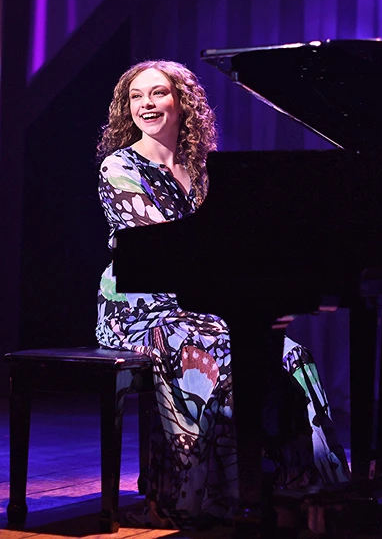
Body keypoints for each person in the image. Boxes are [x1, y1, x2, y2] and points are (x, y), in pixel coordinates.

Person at [95, 59, 349, 528]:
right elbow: (162, 247)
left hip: (199, 304)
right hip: (141, 310)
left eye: (158, 94)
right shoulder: (120, 166)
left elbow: (227, 243)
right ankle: (198, 497)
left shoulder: (203, 170)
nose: (146, 104)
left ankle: (312, 489)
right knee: (221, 358)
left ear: (182, 101)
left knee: (293, 356)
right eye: (136, 96)